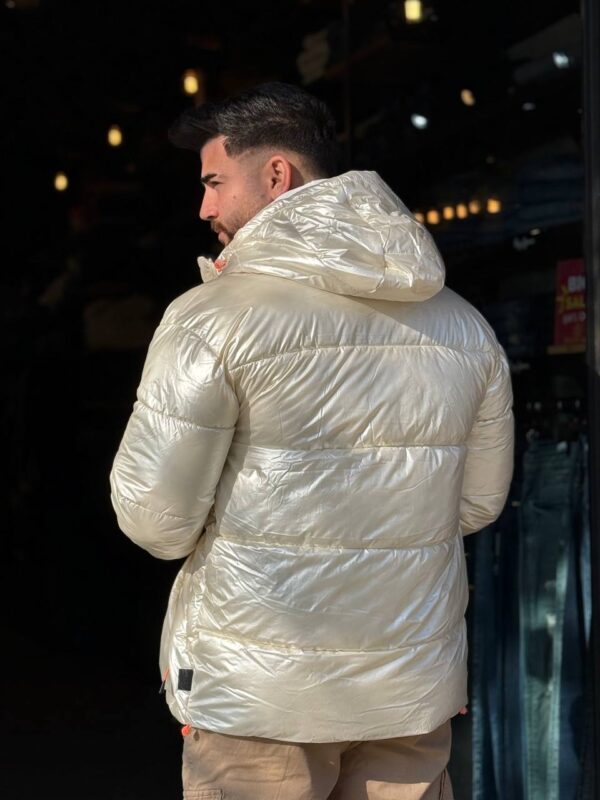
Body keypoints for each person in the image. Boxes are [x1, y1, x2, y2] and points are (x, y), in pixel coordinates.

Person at [110, 82, 514, 799]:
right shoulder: (462, 323)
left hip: (260, 695)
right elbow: (477, 503)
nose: (203, 208)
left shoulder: (212, 318)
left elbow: (155, 519)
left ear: (276, 175)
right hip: (408, 688)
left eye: (213, 182)